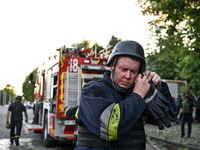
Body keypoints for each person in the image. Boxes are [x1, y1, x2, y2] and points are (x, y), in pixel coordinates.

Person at [74, 40, 176, 150]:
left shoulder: (137, 95)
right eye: (123, 69)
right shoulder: (92, 90)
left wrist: (159, 88)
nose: (128, 76)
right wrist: (137, 96)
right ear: (112, 65)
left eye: (133, 71)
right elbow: (111, 128)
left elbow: (168, 117)